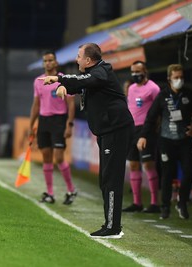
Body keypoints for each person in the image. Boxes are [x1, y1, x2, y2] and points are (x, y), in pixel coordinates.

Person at [39, 43, 134, 239]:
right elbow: (83, 84)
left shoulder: (101, 71)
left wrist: (59, 78)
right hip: (107, 131)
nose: (76, 59)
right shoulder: (95, 75)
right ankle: (111, 223)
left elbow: (85, 80)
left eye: (79, 56)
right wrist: (64, 87)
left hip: (115, 130)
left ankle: (113, 227)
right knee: (105, 179)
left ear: (89, 60)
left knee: (111, 179)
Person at [137, 64, 192, 220]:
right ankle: (165, 206)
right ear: (169, 79)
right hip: (166, 140)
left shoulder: (190, 94)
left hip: (185, 140)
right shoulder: (163, 96)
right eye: (176, 77)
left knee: (189, 171)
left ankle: (182, 202)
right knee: (167, 174)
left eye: (181, 77)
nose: (179, 80)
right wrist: (143, 135)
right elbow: (151, 117)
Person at [29, 51, 77, 205]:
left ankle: (71, 189)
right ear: (43, 63)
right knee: (46, 156)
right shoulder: (38, 81)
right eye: (45, 60)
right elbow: (36, 105)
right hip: (44, 120)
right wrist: (32, 125)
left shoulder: (63, 80)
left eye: (51, 60)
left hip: (59, 120)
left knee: (59, 157)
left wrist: (69, 124)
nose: (48, 63)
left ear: (56, 62)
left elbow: (70, 104)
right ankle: (50, 193)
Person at [122, 61, 160, 213]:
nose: (135, 74)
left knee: (148, 164)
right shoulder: (131, 89)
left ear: (145, 71)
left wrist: (153, 129)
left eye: (138, 71)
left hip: (147, 130)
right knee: (133, 164)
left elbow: (158, 110)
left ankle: (154, 203)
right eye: (133, 72)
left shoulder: (153, 88)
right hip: (132, 130)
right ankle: (137, 202)